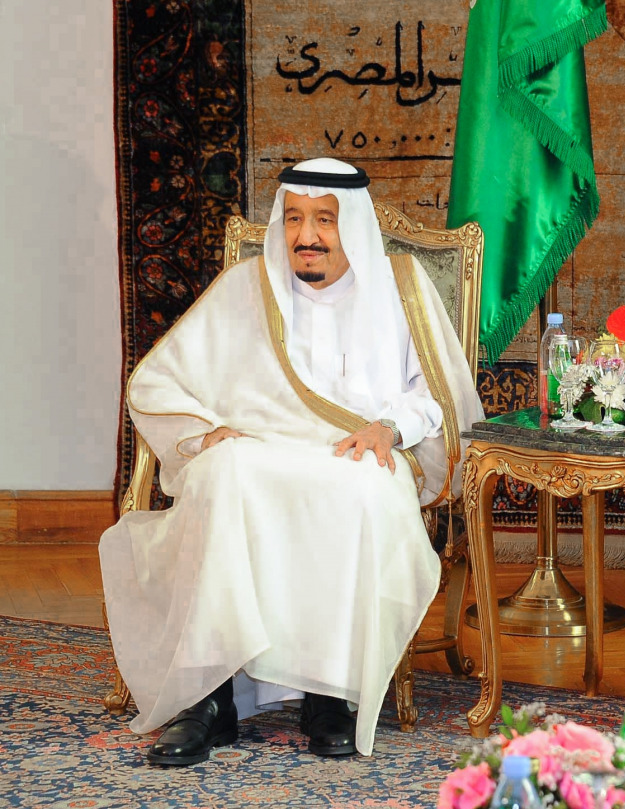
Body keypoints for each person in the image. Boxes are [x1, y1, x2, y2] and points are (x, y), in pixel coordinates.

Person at [99, 157, 485, 765]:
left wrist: (389, 428)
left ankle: (327, 695)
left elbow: (437, 395)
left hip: (356, 454)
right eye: (295, 219)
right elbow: (156, 382)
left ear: (350, 224)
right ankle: (210, 699)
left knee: (361, 487)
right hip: (260, 452)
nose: (307, 236)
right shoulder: (245, 288)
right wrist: (204, 434)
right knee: (222, 474)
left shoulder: (401, 289)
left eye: (324, 220)